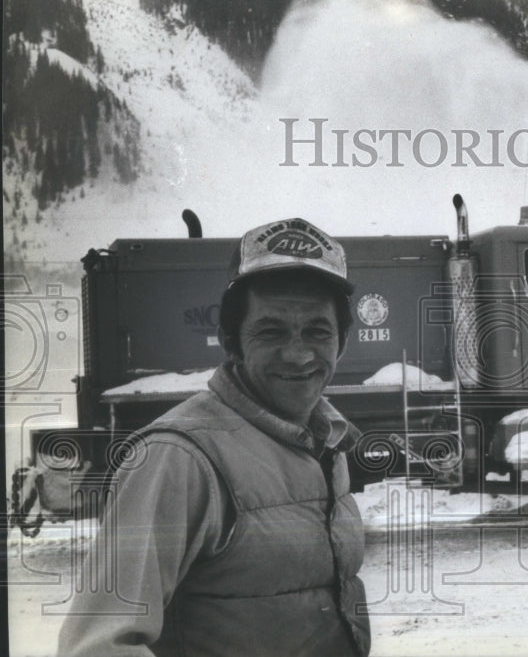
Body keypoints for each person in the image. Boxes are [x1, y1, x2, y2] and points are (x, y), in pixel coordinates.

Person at [58, 218, 371, 656]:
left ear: (341, 343)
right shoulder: (177, 458)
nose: (299, 354)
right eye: (270, 331)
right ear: (230, 341)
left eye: (318, 331)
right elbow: (98, 646)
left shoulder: (324, 441)